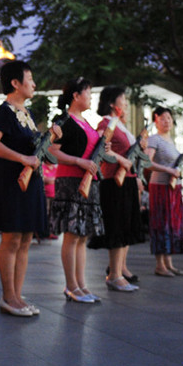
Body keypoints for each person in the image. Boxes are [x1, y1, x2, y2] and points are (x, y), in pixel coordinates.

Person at [0, 61, 48, 316]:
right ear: (15, 83)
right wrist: (22, 159)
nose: (33, 83)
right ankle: (8, 297)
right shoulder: (4, 112)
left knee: (25, 240)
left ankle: (18, 296)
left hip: (30, 183)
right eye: (29, 78)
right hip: (12, 182)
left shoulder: (28, 114)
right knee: (11, 239)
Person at [48, 77, 104, 303]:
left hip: (89, 181)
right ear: (76, 96)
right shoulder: (63, 120)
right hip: (70, 180)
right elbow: (52, 152)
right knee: (72, 236)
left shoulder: (87, 122)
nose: (90, 97)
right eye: (88, 93)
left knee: (82, 235)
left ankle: (81, 284)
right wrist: (78, 162)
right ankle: (71, 286)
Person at [87, 86, 142, 292]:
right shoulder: (105, 123)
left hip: (126, 180)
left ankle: (120, 271)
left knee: (125, 226)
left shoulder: (119, 124)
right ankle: (115, 275)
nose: (126, 103)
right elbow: (99, 149)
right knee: (117, 227)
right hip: (113, 181)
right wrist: (120, 159)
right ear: (112, 103)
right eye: (123, 100)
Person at [144, 107, 183, 277]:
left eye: (169, 118)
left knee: (172, 225)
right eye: (163, 118)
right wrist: (168, 171)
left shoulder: (171, 141)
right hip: (160, 187)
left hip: (174, 188)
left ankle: (169, 263)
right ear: (156, 120)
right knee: (161, 224)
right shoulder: (154, 139)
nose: (167, 121)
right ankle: (160, 265)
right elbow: (147, 162)